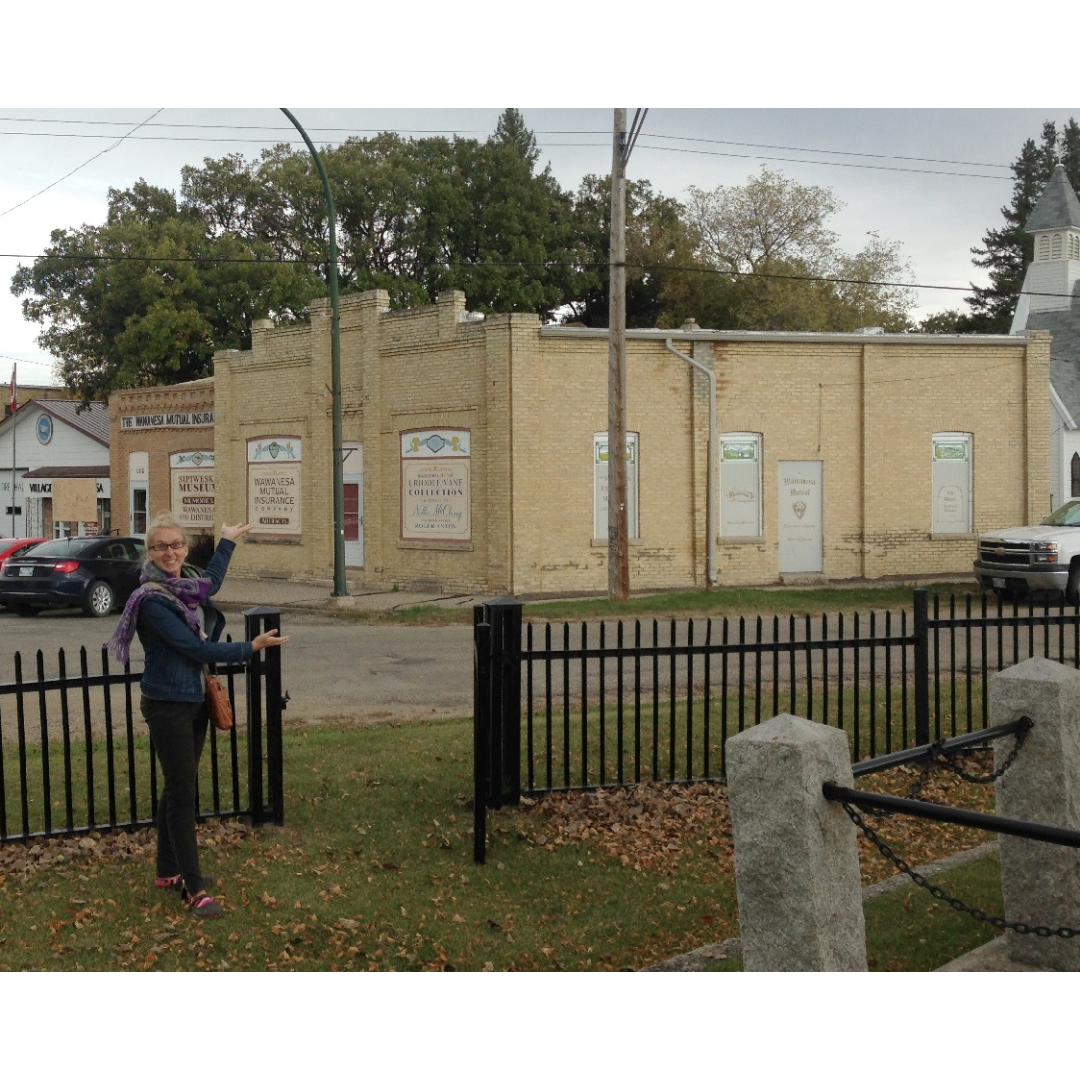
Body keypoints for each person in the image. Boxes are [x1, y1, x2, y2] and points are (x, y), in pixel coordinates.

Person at [107, 511, 288, 919]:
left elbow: (213, 583)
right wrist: (250, 648)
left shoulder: (186, 587)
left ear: (185, 548)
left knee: (178, 787)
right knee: (183, 793)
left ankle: (167, 870)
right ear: (149, 552)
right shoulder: (151, 599)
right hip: (167, 703)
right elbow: (198, 649)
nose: (169, 552)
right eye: (160, 546)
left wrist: (226, 541)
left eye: (176, 545)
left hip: (193, 700)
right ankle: (194, 887)